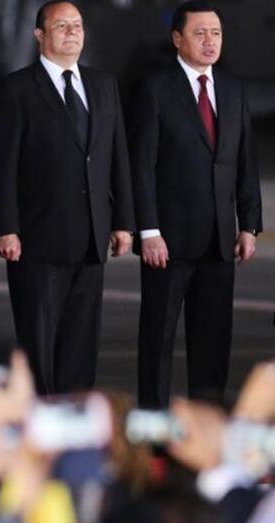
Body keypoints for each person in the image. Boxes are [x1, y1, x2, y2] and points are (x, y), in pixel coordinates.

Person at [0, 1, 135, 395]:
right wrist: (6, 227)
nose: (72, 32)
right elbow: (0, 165)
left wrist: (123, 221)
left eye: (77, 25)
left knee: (81, 342)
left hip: (91, 237)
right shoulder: (18, 89)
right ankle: (39, 418)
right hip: (37, 239)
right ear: (39, 35)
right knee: (39, 341)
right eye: (61, 26)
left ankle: (75, 416)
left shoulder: (103, 85)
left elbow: (117, 155)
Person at [131, 1, 262, 408]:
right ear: (177, 39)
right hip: (167, 242)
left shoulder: (234, 89)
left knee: (213, 341)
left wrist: (248, 224)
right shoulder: (156, 88)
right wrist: (148, 230)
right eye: (200, 33)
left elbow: (245, 162)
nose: (210, 41)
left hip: (219, 240)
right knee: (159, 339)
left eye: (216, 33)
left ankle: (206, 421)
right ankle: (152, 423)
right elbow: (142, 165)